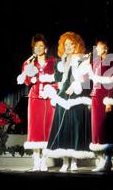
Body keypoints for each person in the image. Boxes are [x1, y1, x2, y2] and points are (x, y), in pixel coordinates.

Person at [41, 32, 95, 172]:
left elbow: (86, 78)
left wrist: (76, 83)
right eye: (66, 44)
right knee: (63, 128)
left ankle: (74, 160)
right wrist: (63, 62)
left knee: (76, 126)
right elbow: (59, 78)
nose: (68, 46)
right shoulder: (60, 61)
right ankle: (65, 161)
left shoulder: (83, 58)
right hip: (63, 95)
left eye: (71, 43)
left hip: (76, 94)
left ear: (76, 44)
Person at [17, 33, 57, 171]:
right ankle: (36, 161)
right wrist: (29, 72)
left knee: (48, 129)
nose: (39, 48)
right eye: (36, 46)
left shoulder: (53, 62)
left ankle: (44, 161)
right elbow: (27, 81)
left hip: (48, 98)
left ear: (45, 48)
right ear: (33, 49)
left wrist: (51, 89)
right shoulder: (29, 63)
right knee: (35, 129)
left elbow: (58, 81)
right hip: (35, 98)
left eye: (41, 46)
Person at [89, 41, 113, 171]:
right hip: (95, 96)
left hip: (104, 98)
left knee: (103, 129)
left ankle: (107, 160)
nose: (97, 49)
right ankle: (100, 159)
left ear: (105, 48)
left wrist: (109, 101)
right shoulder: (95, 61)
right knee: (96, 130)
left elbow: (112, 82)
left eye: (99, 47)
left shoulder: (111, 61)